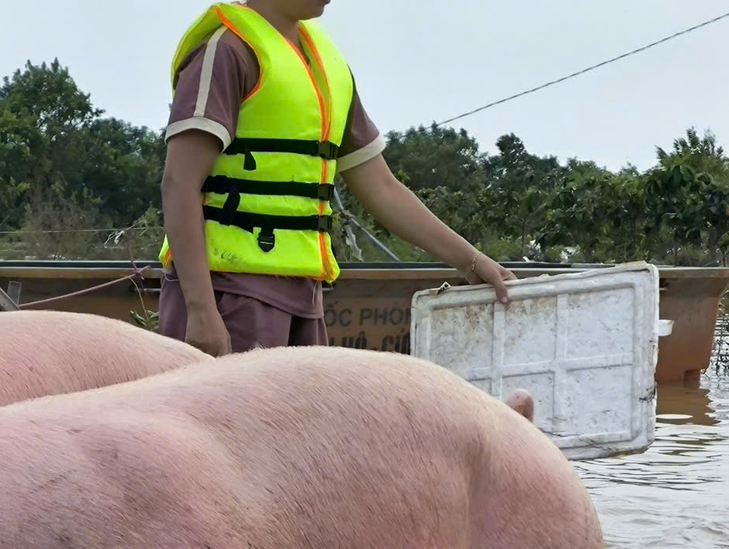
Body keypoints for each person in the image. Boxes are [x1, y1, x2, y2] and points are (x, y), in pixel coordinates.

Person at [158, 0, 513, 356]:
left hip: (305, 296)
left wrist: (472, 260)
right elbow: (179, 183)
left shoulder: (327, 67)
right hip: (228, 293)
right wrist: (201, 310)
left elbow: (382, 187)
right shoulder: (226, 52)